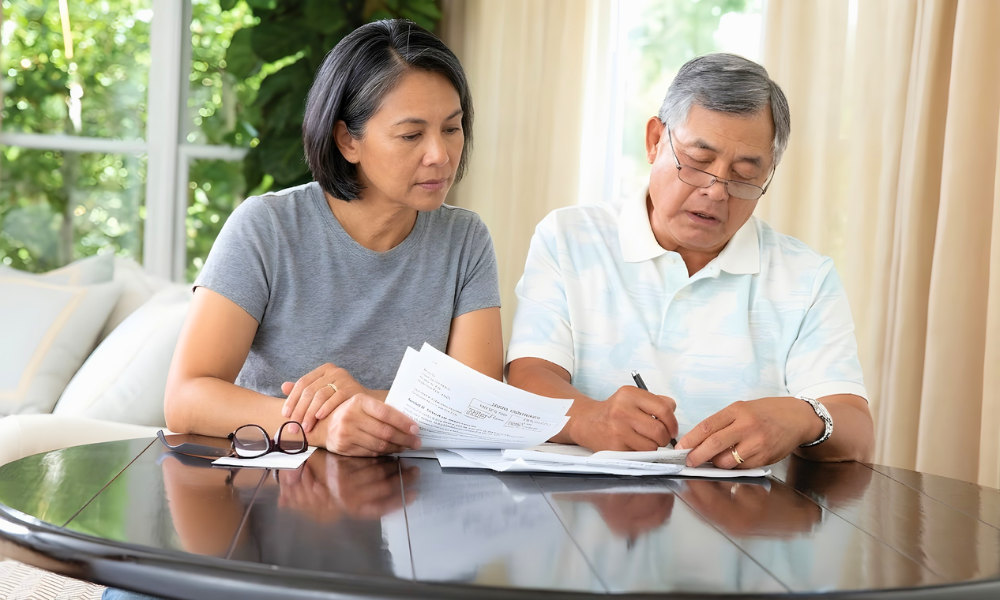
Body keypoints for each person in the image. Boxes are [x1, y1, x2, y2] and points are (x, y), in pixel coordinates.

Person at [506, 53, 874, 470]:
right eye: (698, 163)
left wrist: (803, 417)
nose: (717, 191)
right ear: (654, 140)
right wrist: (590, 418)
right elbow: (529, 375)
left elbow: (857, 433)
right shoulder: (569, 237)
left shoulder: (806, 277)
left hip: (741, 519)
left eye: (744, 173)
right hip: (587, 513)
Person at [164, 19, 503, 458]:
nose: (440, 155)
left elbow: (481, 404)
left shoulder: (465, 240)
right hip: (267, 494)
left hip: (411, 499)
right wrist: (320, 427)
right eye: (412, 135)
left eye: (452, 128)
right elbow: (186, 398)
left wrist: (365, 404)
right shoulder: (265, 228)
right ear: (347, 140)